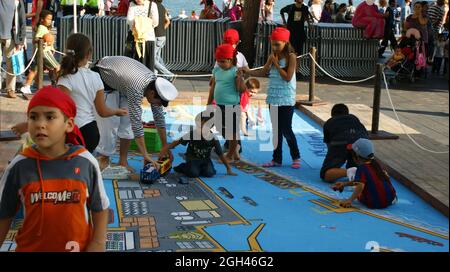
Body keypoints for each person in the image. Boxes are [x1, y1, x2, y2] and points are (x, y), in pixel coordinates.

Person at [0, 86, 110, 252]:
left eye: (50, 117)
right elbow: (4, 213)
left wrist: (98, 243)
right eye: (33, 117)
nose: (40, 124)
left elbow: (100, 207)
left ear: (69, 124)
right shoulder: (19, 166)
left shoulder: (85, 162)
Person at [91, 56, 178, 170]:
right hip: (103, 76)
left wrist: (165, 146)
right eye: (158, 102)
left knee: (127, 121)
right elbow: (137, 124)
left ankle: (123, 162)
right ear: (151, 93)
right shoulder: (137, 88)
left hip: (122, 82)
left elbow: (159, 117)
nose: (158, 105)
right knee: (110, 122)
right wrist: (145, 155)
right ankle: (103, 160)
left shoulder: (154, 84)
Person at [242, 27, 301, 169]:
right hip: (274, 97)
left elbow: (287, 77)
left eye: (277, 44)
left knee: (286, 128)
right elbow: (263, 71)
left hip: (286, 97)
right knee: (276, 130)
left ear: (286, 42)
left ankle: (296, 156)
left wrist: (275, 64)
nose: (274, 47)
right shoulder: (272, 55)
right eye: (273, 44)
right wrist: (248, 71)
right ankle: (277, 159)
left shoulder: (291, 57)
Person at [162, 111, 237, 178]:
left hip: (205, 160)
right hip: (192, 159)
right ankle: (183, 167)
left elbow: (220, 154)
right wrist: (166, 148)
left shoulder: (213, 138)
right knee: (193, 174)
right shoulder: (193, 134)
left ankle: (199, 168)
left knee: (209, 173)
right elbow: (177, 142)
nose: (198, 127)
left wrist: (228, 168)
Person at [331, 138, 397, 209]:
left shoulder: (362, 168)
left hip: (374, 204)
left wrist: (350, 200)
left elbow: (360, 185)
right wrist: (344, 184)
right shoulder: (376, 164)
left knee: (360, 194)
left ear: (356, 156)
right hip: (390, 199)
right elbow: (360, 181)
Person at [207, 44, 246, 163]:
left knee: (232, 132)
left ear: (230, 60)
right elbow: (213, 87)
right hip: (219, 105)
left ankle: (230, 154)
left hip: (232, 106)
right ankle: (234, 150)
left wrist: (239, 79)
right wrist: (209, 103)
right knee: (219, 127)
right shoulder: (217, 70)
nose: (220, 63)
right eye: (218, 61)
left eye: (222, 61)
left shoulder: (235, 72)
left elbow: (242, 90)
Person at [320, 104, 368, 182]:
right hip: (362, 142)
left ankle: (350, 171)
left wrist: (336, 160)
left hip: (341, 142)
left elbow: (330, 146)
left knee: (325, 174)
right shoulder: (354, 118)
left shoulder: (329, 122)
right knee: (355, 164)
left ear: (332, 115)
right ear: (347, 113)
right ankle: (361, 171)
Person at [21, 10, 60, 94]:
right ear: (42, 19)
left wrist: (52, 47)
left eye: (51, 19)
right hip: (44, 53)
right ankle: (58, 85)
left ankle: (26, 86)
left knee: (34, 70)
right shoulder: (42, 28)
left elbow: (49, 42)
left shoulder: (45, 28)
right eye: (48, 19)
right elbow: (35, 39)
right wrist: (41, 40)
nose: (50, 21)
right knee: (57, 67)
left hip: (41, 52)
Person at [0, 0, 26, 99]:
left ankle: (10, 89)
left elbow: (22, 21)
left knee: (11, 65)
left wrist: (20, 40)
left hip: (11, 38)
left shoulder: (17, 1)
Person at [127, 0, 159, 71]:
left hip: (147, 38)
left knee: (146, 64)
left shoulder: (152, 5)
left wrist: (138, 22)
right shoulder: (132, 4)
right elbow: (129, 20)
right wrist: (145, 22)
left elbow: (156, 22)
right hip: (134, 38)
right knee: (133, 64)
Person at [154, 0, 174, 81]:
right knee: (157, 58)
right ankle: (154, 77)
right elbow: (168, 21)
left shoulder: (153, 7)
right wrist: (162, 29)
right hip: (162, 36)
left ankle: (168, 74)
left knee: (152, 59)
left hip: (156, 36)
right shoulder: (163, 7)